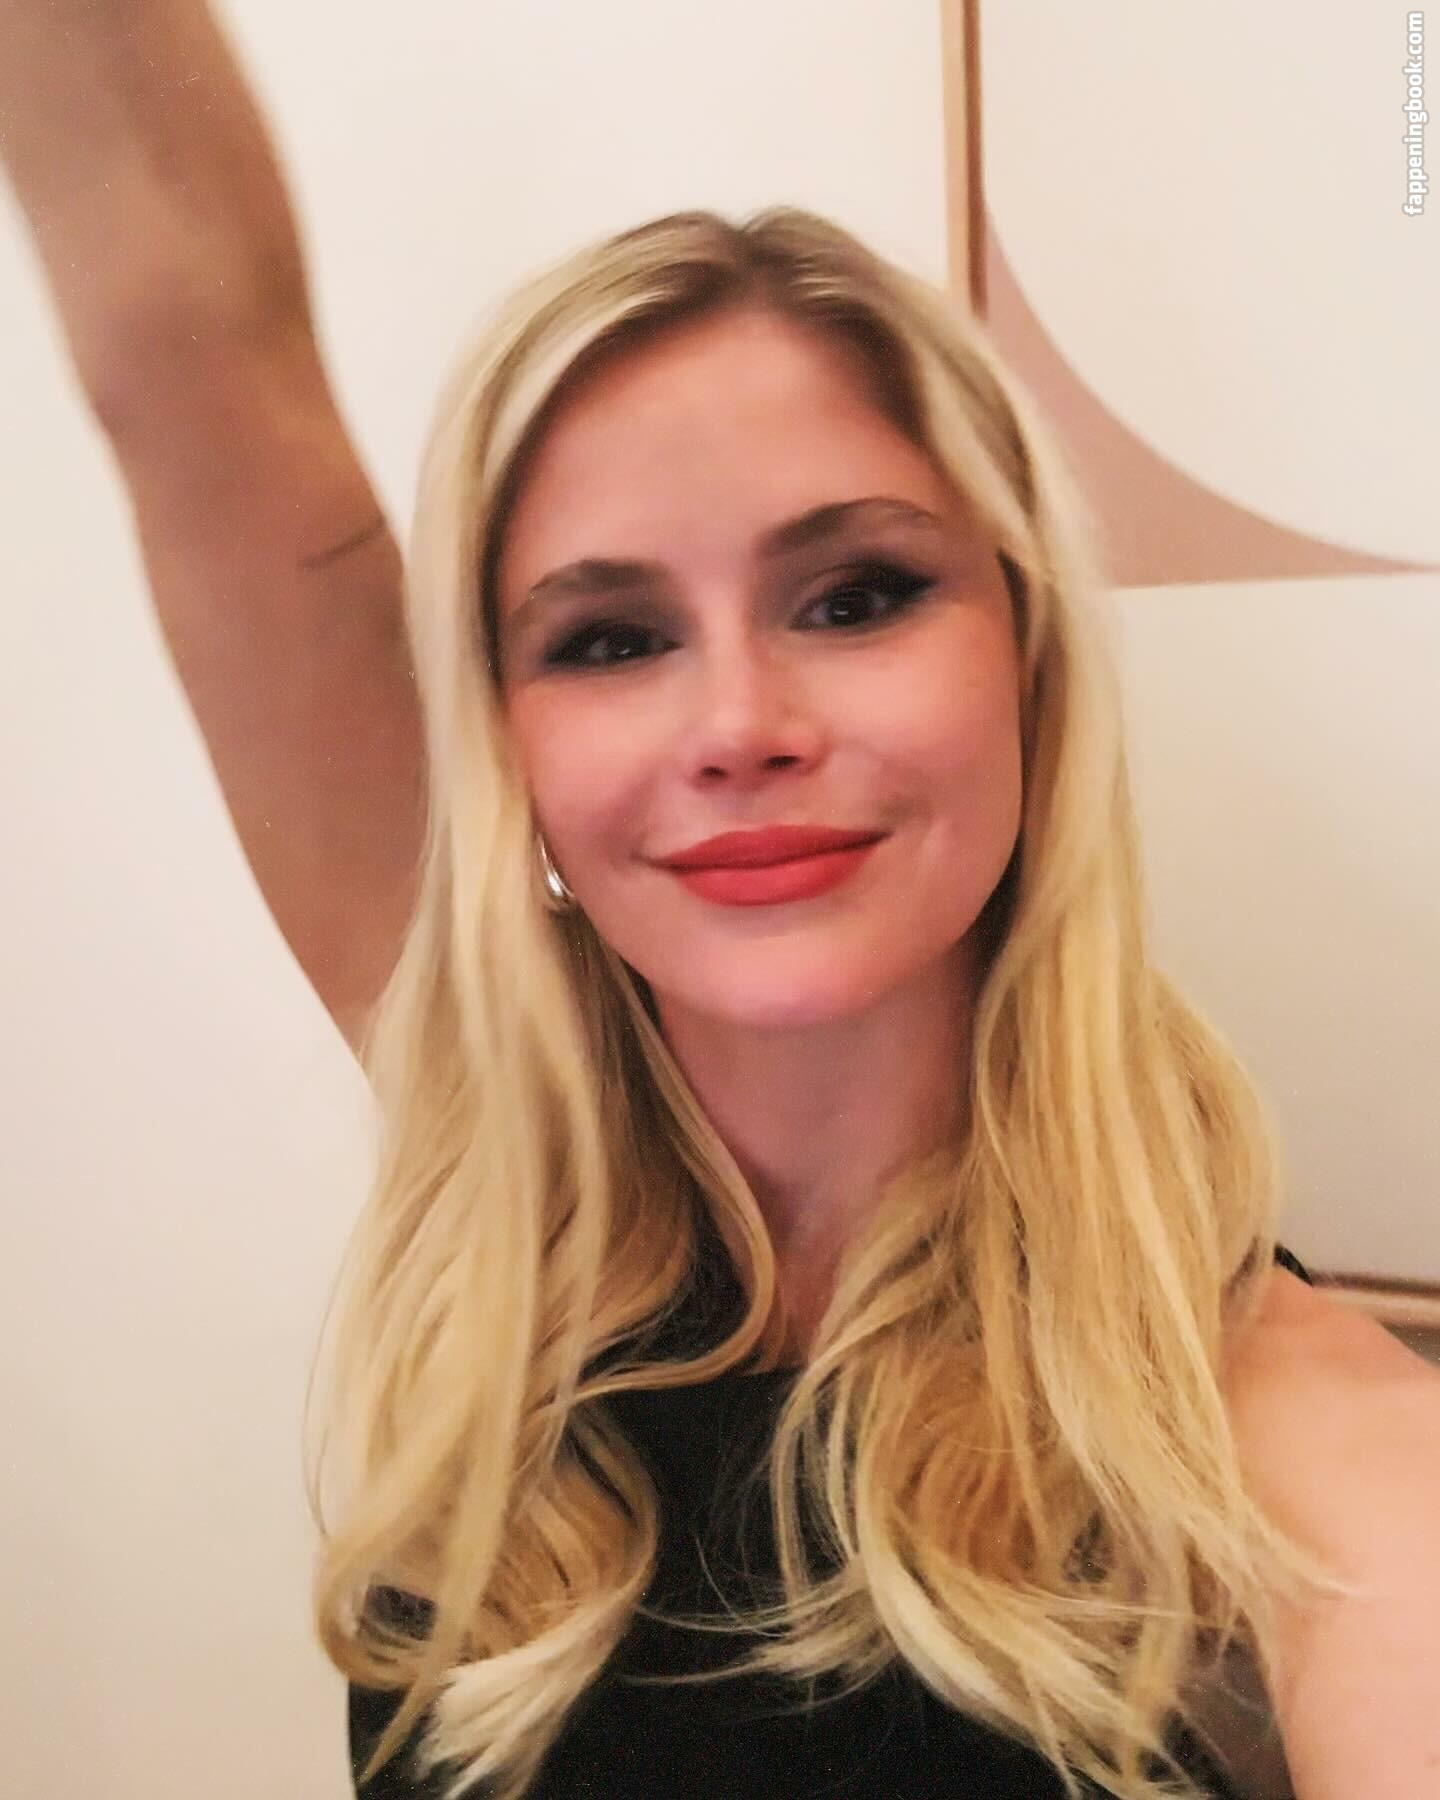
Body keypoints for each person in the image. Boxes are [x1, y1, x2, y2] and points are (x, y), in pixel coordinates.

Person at [6, 7, 1440, 1800]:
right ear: (508, 746)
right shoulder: (516, 1191)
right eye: (610, 639)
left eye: (855, 597)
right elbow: (190, 358)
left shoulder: (1314, 1459)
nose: (739, 725)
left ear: (1028, 658)